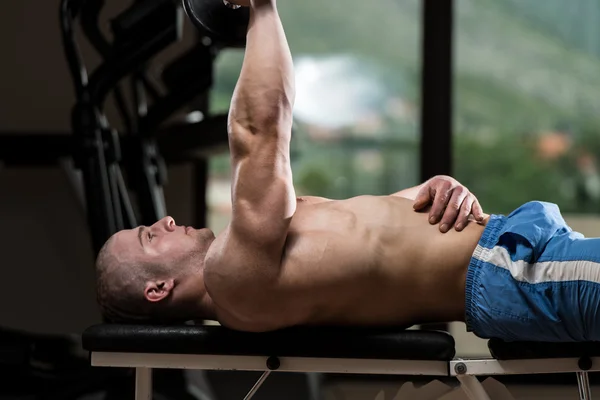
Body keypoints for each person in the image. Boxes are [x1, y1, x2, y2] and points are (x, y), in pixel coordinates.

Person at [95, 0, 600, 343]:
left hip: (520, 253)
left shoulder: (251, 256)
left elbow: (369, 237)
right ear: (157, 289)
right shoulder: (234, 279)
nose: (161, 222)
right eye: (146, 237)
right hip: (512, 271)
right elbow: (259, 130)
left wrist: (431, 190)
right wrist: (260, 6)